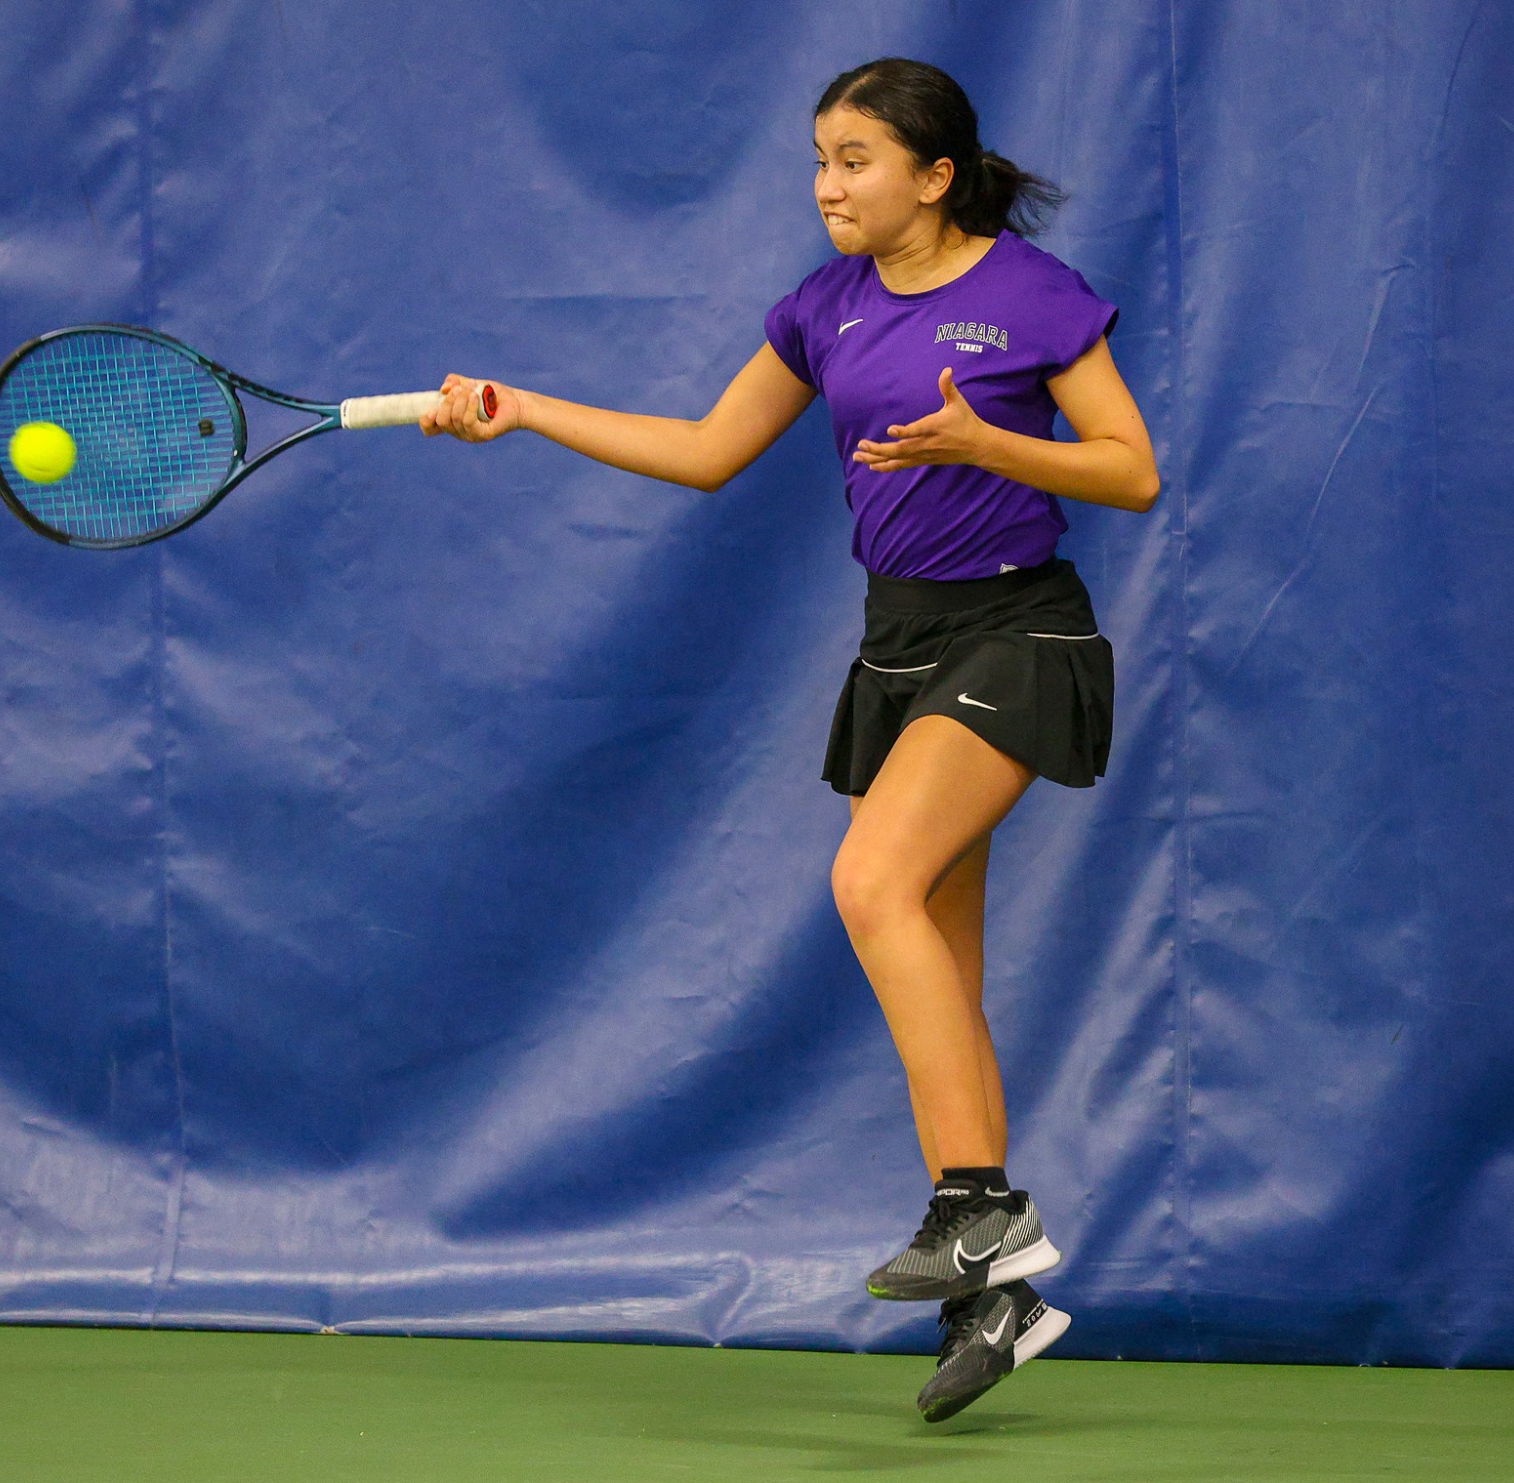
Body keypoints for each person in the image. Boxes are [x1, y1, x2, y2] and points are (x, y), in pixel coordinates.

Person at [423, 56, 1158, 1422]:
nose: (829, 184)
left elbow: (1131, 465)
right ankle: (996, 1295)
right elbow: (706, 451)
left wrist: (994, 449)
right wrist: (524, 409)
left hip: (1019, 634)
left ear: (934, 178)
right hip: (899, 645)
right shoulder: (825, 308)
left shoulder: (1029, 296)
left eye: (858, 160)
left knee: (870, 884)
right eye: (820, 158)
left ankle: (982, 1211)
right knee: (935, 943)